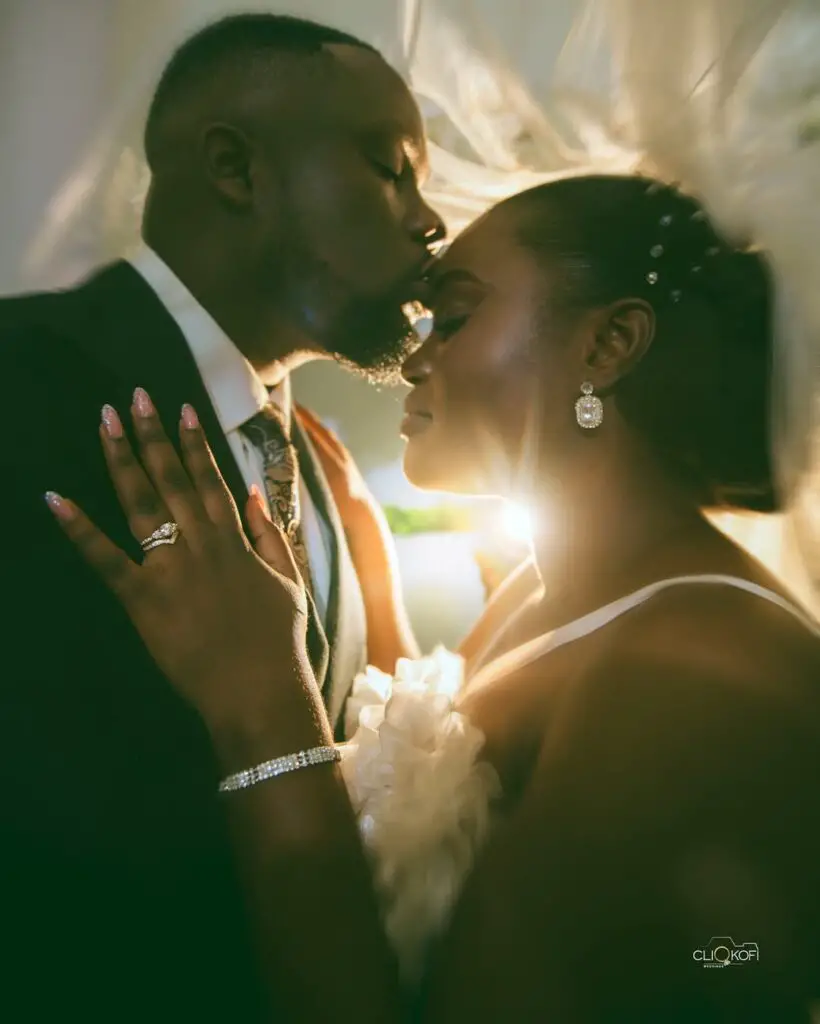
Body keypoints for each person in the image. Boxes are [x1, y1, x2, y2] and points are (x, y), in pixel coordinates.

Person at [50, 173, 820, 1022]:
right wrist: (367, 571)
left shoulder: (704, 674)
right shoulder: (544, 589)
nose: (413, 358)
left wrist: (264, 711)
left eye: (451, 319)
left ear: (607, 347)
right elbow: (437, 784)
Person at [0, 12, 451, 1022]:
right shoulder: (19, 386)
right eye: (391, 170)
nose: (429, 222)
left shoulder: (325, 471)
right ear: (236, 169)